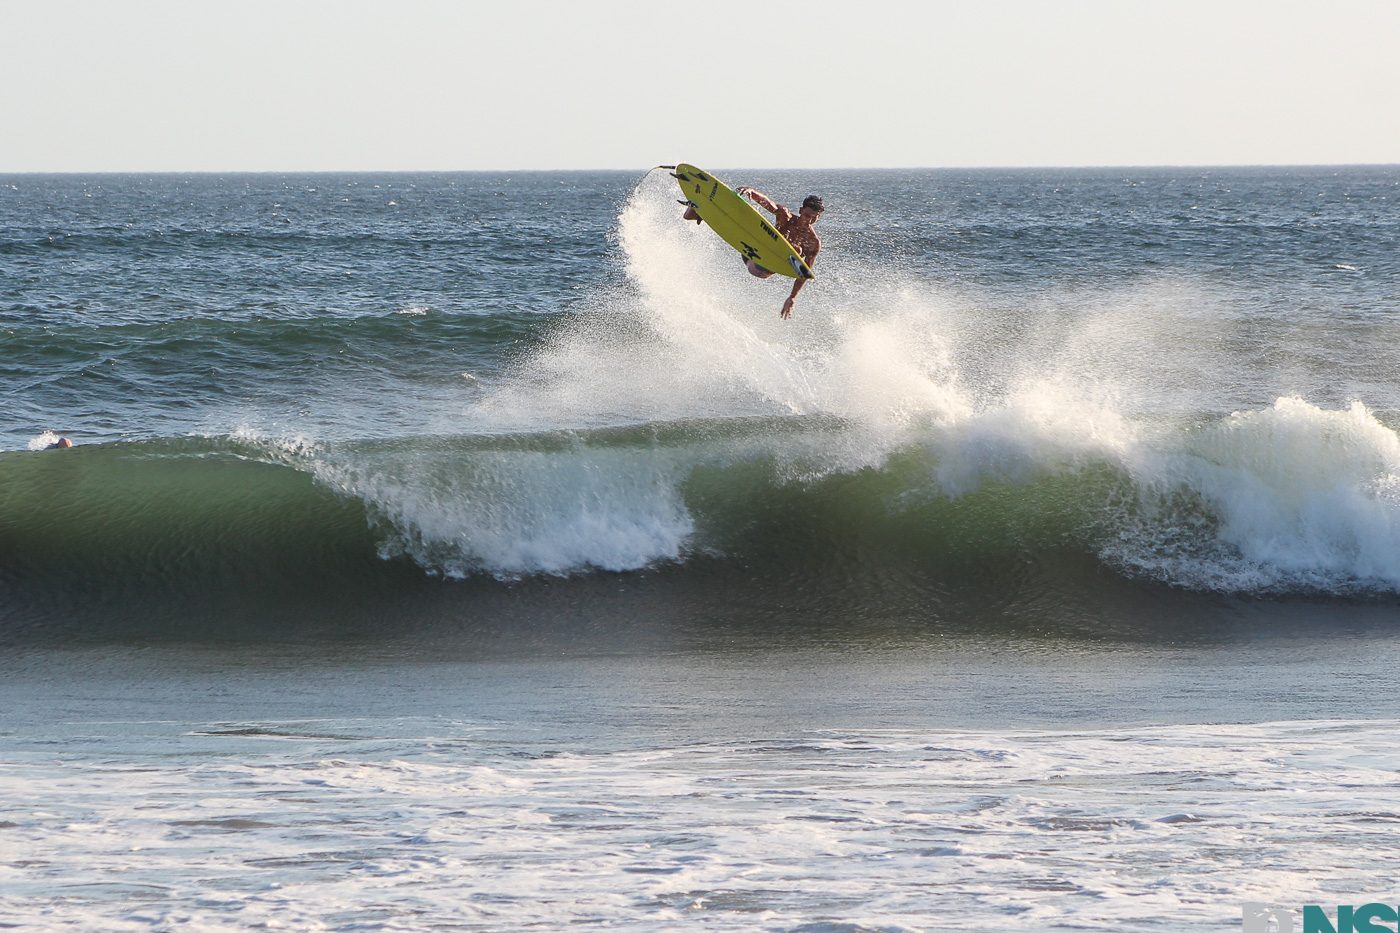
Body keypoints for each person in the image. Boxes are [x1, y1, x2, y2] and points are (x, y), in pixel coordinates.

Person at [683, 188, 824, 319]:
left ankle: (700, 213)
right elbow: (770, 204)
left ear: (819, 216)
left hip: (761, 268)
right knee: (781, 211)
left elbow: (803, 273)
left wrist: (792, 297)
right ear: (800, 211)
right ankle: (697, 210)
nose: (809, 221)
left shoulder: (813, 243)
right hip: (750, 248)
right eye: (807, 215)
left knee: (797, 250)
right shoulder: (786, 218)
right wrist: (751, 192)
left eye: (814, 218)